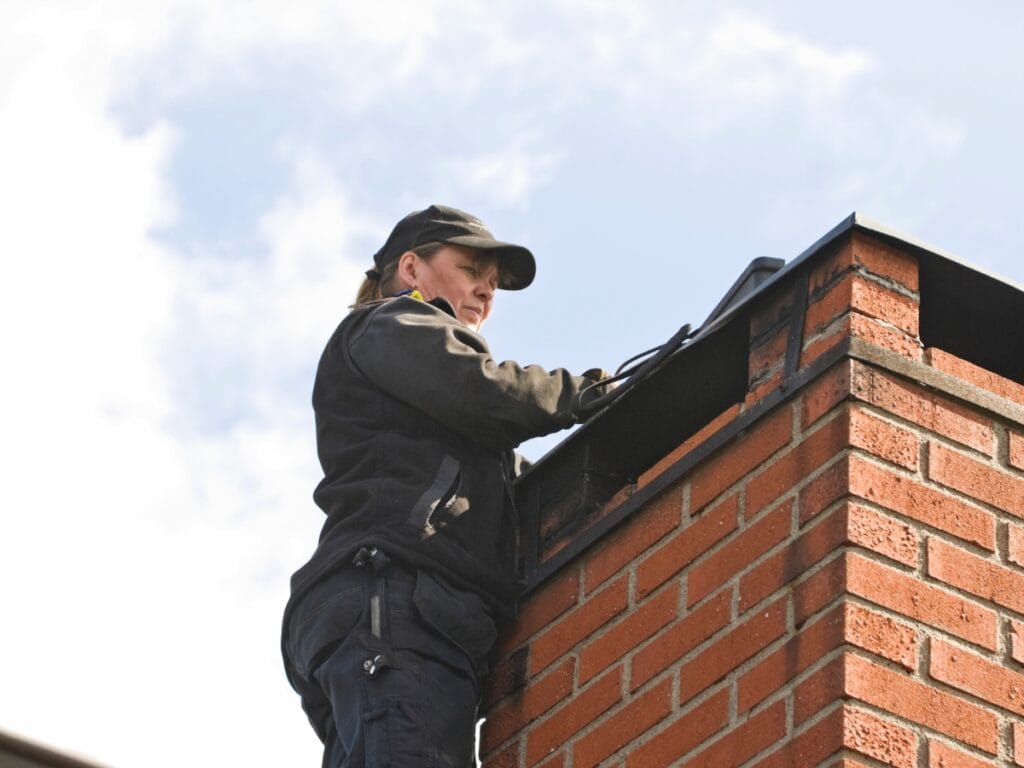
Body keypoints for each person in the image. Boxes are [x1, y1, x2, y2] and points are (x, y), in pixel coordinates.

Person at [281, 205, 605, 767]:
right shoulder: (389, 324)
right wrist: (584, 394)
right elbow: (483, 390)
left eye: (493, 283)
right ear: (411, 269)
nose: (486, 290)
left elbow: (505, 478)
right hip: (394, 596)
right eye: (471, 269)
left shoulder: (437, 408)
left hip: (386, 610)